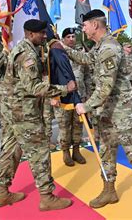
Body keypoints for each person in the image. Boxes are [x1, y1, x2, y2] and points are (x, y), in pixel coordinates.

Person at [66, 9, 132, 215]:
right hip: (107, 112)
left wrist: (85, 106)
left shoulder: (109, 48)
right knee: (106, 152)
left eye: (85, 25)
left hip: (121, 112)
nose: (83, 29)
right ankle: (109, 190)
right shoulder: (99, 47)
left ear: (95, 25)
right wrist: (63, 48)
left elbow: (106, 86)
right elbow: (86, 59)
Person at [0, 19, 76, 211]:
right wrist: (65, 89)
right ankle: (47, 197)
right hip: (25, 112)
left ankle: (2, 193)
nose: (45, 36)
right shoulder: (26, 54)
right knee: (39, 152)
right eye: (41, 33)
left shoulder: (25, 49)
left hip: (12, 111)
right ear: (31, 34)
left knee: (10, 151)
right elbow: (33, 87)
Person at [51, 27, 86, 166]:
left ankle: (76, 150)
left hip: (79, 96)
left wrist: (86, 95)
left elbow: (87, 77)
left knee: (78, 125)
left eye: (73, 36)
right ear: (63, 39)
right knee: (64, 126)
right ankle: (65, 152)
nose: (71, 39)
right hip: (62, 97)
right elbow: (49, 76)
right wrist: (52, 96)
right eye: (68, 37)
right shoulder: (56, 53)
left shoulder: (79, 54)